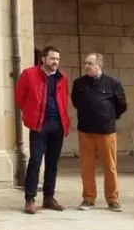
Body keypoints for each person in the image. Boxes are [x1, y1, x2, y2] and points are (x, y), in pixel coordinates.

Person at [14, 46, 70, 215]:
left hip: (57, 125)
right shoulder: (29, 74)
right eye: (52, 58)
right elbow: (19, 98)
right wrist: (30, 113)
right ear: (44, 59)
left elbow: (64, 100)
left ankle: (49, 197)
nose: (55, 62)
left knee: (52, 163)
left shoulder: (62, 78)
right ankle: (30, 199)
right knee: (35, 162)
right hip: (39, 126)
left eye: (57, 59)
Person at [71, 53, 127, 213]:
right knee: (87, 167)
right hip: (85, 131)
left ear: (99, 65)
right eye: (85, 63)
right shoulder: (79, 83)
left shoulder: (113, 84)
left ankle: (113, 199)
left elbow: (121, 105)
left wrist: (109, 117)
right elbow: (75, 102)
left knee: (110, 166)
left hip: (106, 131)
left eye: (90, 63)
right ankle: (88, 198)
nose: (86, 66)